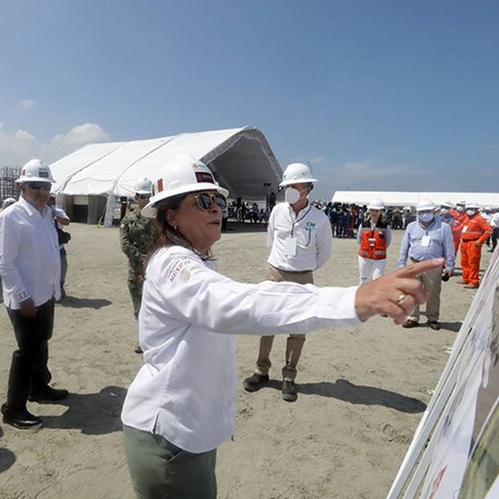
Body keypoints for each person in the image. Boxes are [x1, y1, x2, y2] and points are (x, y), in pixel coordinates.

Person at [120, 154, 442, 498]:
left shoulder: (191, 259)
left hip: (186, 433)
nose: (216, 208)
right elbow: (233, 302)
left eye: (218, 200)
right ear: (171, 215)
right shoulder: (173, 262)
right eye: (202, 200)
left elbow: (311, 260)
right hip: (170, 438)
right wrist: (355, 300)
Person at [242, 162, 333, 402]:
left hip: (303, 277)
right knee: (267, 324)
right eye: (287, 186)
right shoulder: (277, 212)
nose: (290, 190)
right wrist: (281, 263)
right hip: (275, 273)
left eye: (295, 186)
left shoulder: (320, 219)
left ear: (308, 189)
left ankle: (289, 377)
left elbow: (324, 252)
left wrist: (303, 269)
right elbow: (271, 240)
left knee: (297, 329)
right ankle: (261, 371)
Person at [0, 159, 67, 429]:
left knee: (42, 341)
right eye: (35, 185)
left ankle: (39, 388)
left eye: (45, 186)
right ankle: (14, 408)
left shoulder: (45, 214)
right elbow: (5, 263)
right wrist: (22, 296)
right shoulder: (10, 217)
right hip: (24, 298)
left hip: (45, 293)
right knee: (26, 351)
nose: (41, 191)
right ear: (22, 186)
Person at [397, 199, 456, 330]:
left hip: (433, 265)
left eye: (427, 211)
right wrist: (401, 263)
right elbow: (404, 246)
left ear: (434, 212)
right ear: (417, 213)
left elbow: (449, 248)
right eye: (422, 212)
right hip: (413, 263)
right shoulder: (411, 226)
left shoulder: (443, 227)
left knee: (433, 292)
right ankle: (413, 317)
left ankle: (432, 318)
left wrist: (450, 266)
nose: (424, 214)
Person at [119, 178, 155, 354]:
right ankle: (143, 340)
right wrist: (141, 260)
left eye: (149, 196)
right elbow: (125, 243)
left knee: (158, 305)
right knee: (139, 307)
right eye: (142, 196)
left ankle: (157, 338)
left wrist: (153, 257)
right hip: (136, 270)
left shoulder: (159, 217)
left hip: (156, 269)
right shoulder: (129, 218)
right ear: (136, 197)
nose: (146, 200)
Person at [357, 199, 392, 285]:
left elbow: (387, 241)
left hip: (379, 259)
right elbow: (359, 239)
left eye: (376, 211)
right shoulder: (363, 225)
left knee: (377, 281)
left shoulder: (385, 226)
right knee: (363, 280)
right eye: (372, 210)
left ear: (381, 211)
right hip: (364, 257)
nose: (374, 212)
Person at [458, 201, 493, 289]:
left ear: (476, 210)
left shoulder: (479, 219)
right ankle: (466, 278)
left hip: (473, 243)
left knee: (473, 262)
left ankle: (474, 281)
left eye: (472, 209)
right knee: (464, 261)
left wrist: (480, 241)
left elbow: (488, 230)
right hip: (464, 243)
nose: (469, 210)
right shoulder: (466, 218)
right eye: (468, 209)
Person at [0, 198, 17, 304]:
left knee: (13, 269)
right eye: (7, 205)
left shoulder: (17, 216)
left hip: (12, 246)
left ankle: (13, 292)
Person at [49, 190, 70, 300]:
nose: (50, 204)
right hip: (45, 248)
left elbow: (67, 221)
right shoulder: (39, 212)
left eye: (52, 201)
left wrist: (55, 217)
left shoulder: (58, 212)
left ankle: (60, 287)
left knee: (62, 268)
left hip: (59, 247)